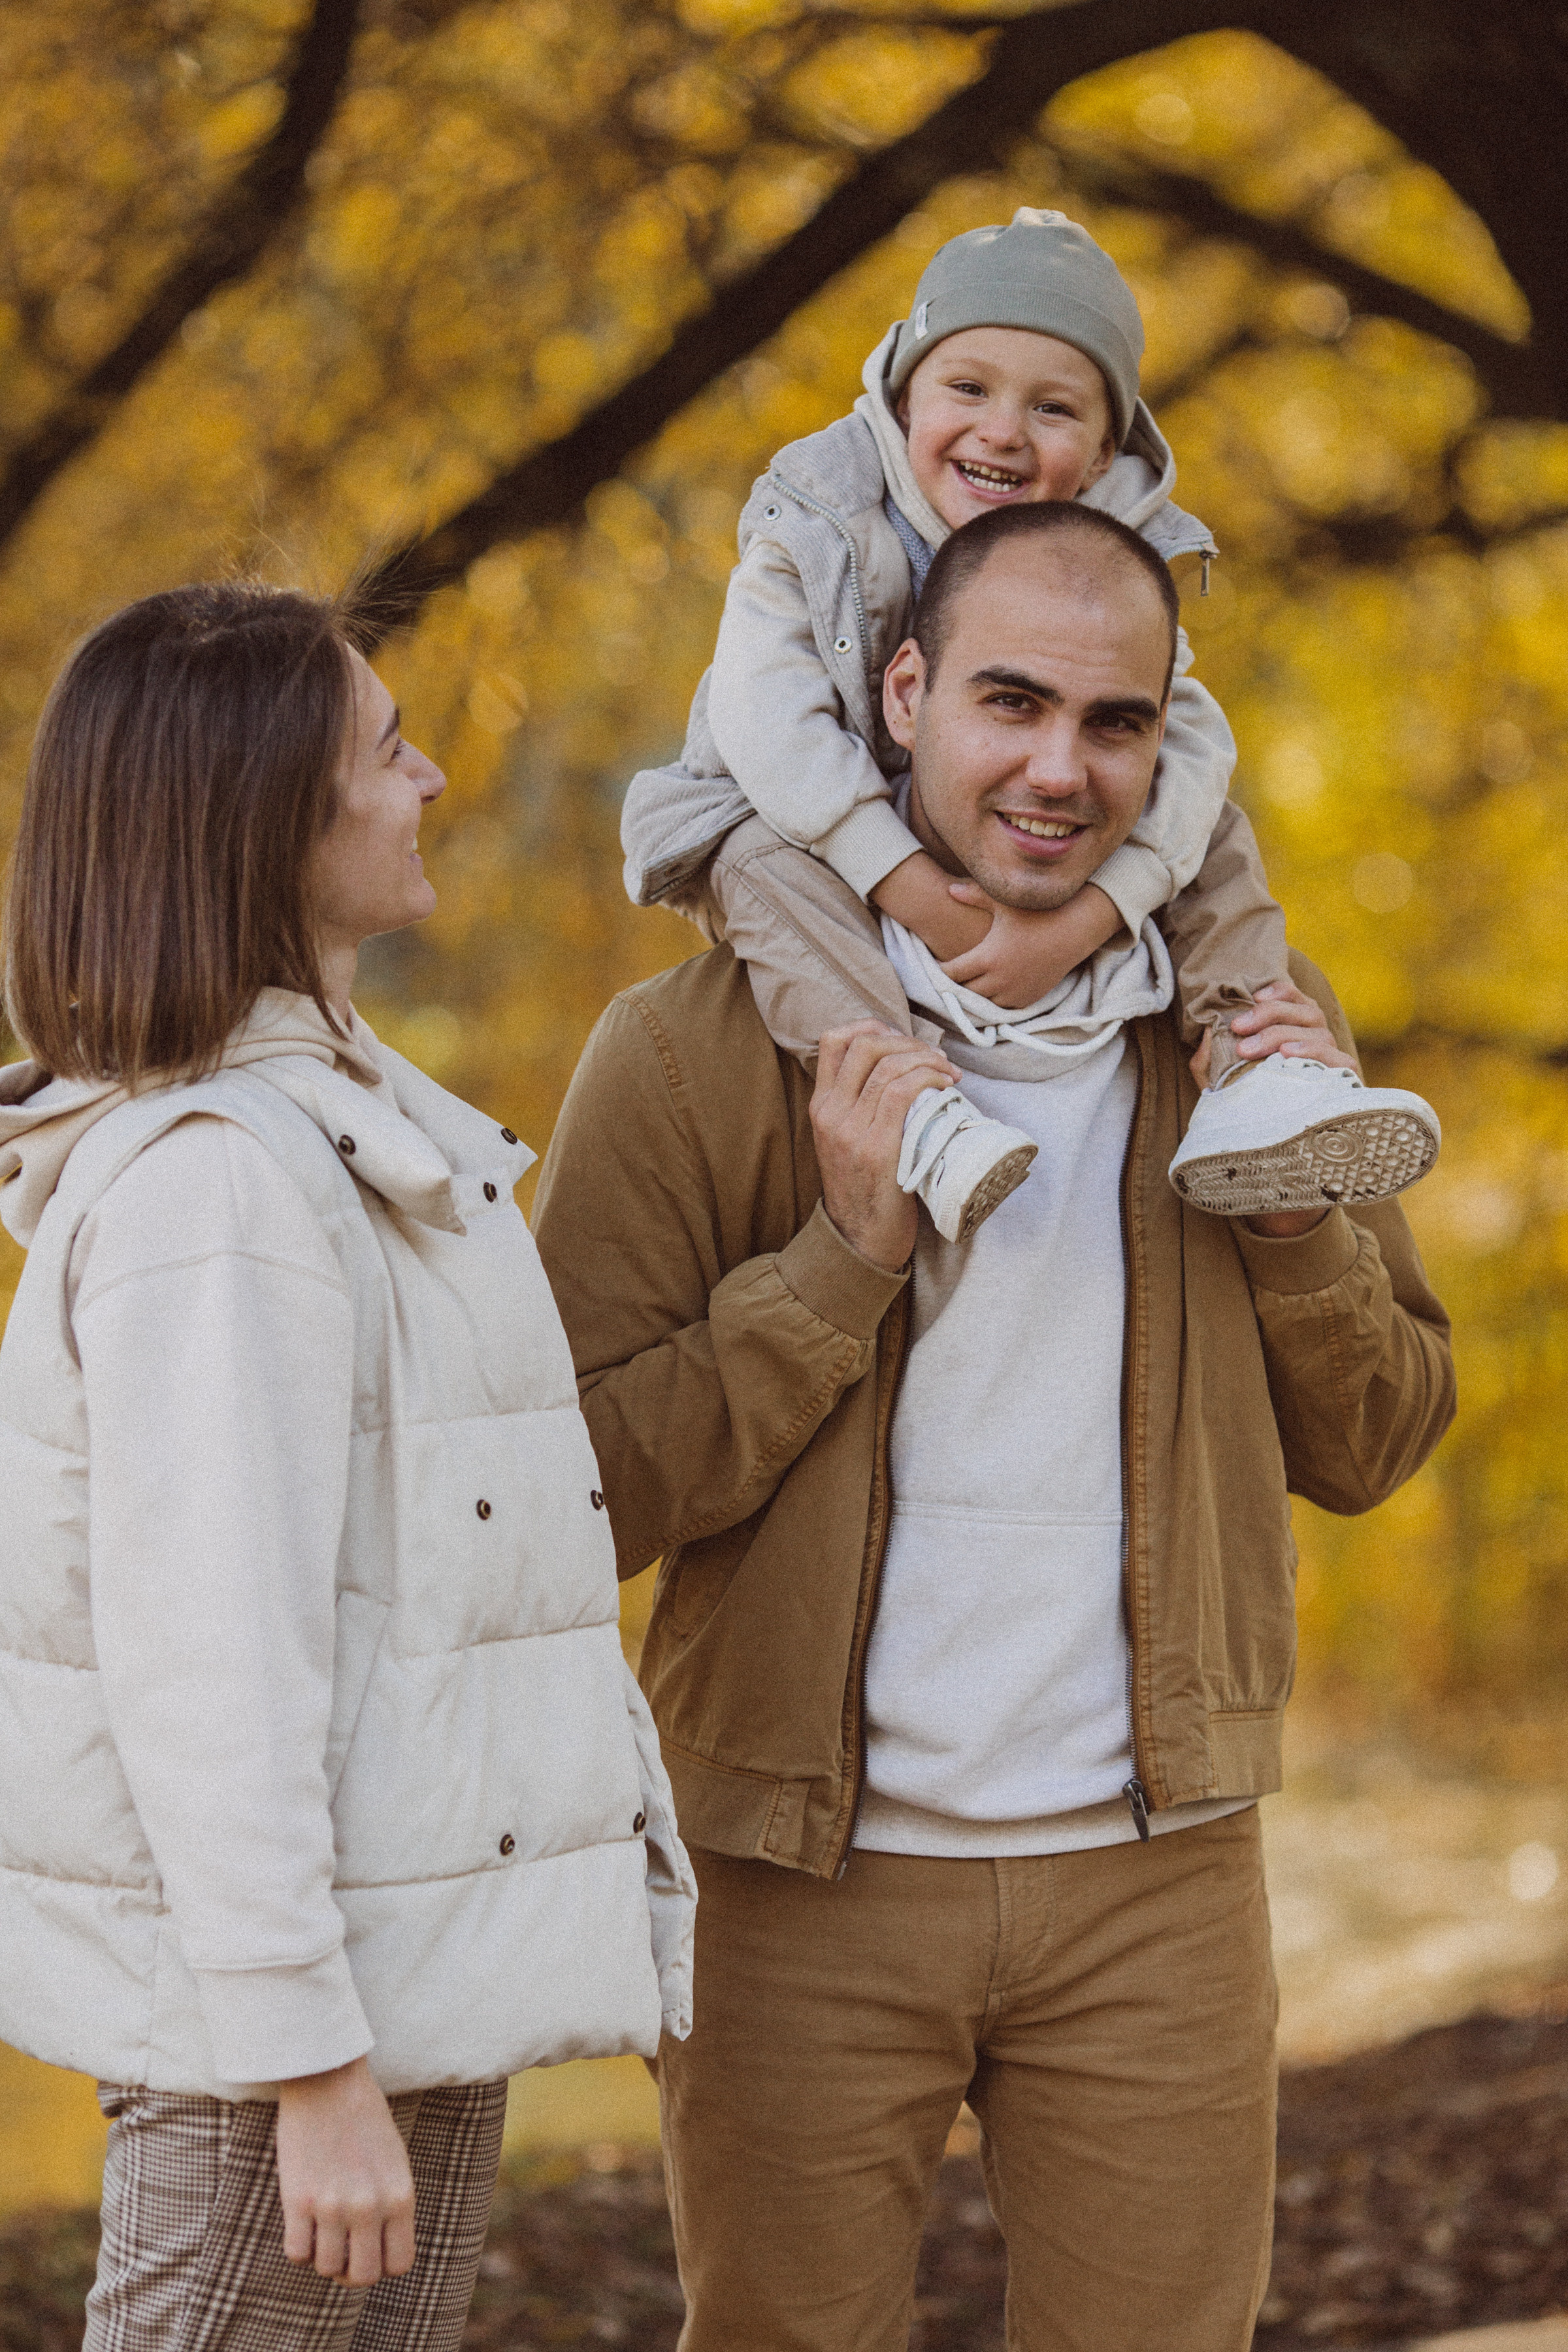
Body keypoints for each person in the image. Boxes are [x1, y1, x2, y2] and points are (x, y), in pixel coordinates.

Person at [532, 503, 1456, 2351]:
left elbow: (1380, 1438)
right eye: (1010, 703)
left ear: (1168, 745)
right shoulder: (690, 1049)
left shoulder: (1245, 1039)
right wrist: (841, 1260)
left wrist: (1291, 1222)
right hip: (799, 1883)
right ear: (903, 694)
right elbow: (580, 1492)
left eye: (1116, 723)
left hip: (1159, 1884)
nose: (1059, 768)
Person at [0, 581, 695, 2352]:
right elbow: (206, 1668)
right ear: (268, 826)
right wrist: (312, 2064)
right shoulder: (221, 1194)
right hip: (288, 2054)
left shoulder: (332, 1140)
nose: (436, 777)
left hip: (382, 1996)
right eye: (390, 752)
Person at [620, 206, 1441, 1241]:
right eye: (967, 389)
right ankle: (913, 1109)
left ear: (1104, 455)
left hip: (1024, 861)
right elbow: (764, 719)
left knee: (1209, 825)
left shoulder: (1115, 563)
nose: (1002, 431)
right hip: (789, 806)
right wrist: (917, 893)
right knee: (757, 867)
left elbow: (1191, 743)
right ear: (900, 394)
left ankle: (1254, 1065)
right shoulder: (818, 519)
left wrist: (1086, 920)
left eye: (1052, 409)